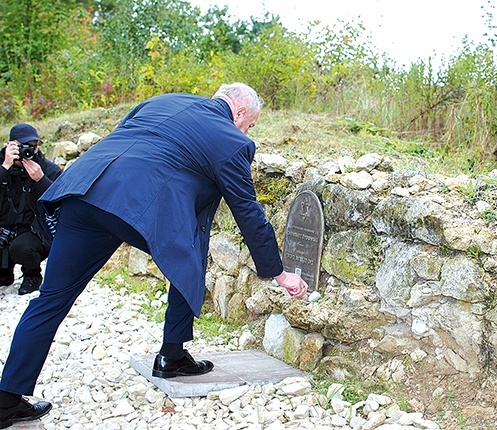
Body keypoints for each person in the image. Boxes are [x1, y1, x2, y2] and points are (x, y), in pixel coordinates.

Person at [0, 83, 308, 428]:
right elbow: (248, 213)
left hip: (82, 192)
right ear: (239, 112)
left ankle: (6, 399)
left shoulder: (166, 99)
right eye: (250, 124)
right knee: (189, 254)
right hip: (132, 206)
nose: (249, 131)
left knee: (51, 299)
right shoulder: (233, 141)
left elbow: (129, 138)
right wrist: (279, 273)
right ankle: (172, 354)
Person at [0, 124, 62, 295]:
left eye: (33, 146)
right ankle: (4, 274)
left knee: (23, 248)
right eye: (23, 146)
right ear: (10, 145)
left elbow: (61, 200)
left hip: (32, 231)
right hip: (3, 228)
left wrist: (40, 180)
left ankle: (32, 274)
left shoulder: (46, 168)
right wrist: (5, 167)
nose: (29, 151)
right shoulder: (2, 165)